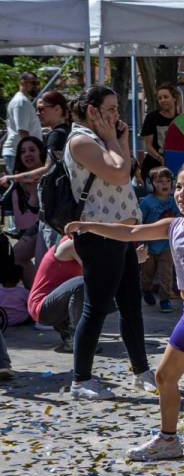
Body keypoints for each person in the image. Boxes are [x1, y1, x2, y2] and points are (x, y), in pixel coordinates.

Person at [68, 163, 184, 461]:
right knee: (164, 378)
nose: (181, 193)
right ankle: (168, 440)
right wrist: (89, 226)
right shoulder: (174, 225)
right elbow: (132, 231)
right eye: (179, 186)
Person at [62, 86, 154, 400]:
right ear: (92, 111)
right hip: (98, 235)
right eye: (111, 108)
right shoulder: (81, 140)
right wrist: (116, 140)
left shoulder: (102, 139)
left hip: (120, 234)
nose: (117, 114)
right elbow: (118, 174)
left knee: (131, 305)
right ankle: (81, 379)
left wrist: (121, 139)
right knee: (97, 308)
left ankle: (141, 371)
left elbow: (125, 169)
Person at [27, 234, 84, 350]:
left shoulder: (77, 240)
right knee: (84, 283)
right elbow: (95, 272)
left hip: (55, 302)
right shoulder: (72, 244)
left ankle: (69, 336)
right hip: (42, 307)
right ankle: (76, 339)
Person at [3, 135, 47, 286]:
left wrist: (34, 190)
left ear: (41, 152)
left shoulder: (49, 176)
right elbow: (21, 220)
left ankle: (37, 295)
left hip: (49, 228)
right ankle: (34, 294)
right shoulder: (16, 182)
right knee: (17, 257)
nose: (27, 154)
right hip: (29, 231)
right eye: (22, 151)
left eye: (32, 150)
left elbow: (35, 214)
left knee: (19, 256)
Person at [139, 166, 179, 312]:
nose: (165, 184)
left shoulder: (174, 201)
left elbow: (179, 219)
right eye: (160, 181)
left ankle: (165, 299)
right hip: (149, 244)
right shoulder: (147, 202)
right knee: (147, 272)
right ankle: (146, 290)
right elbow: (140, 222)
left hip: (166, 245)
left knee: (166, 273)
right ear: (152, 184)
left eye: (168, 181)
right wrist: (141, 242)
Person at [138, 82, 180, 180]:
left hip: (174, 169)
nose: (162, 100)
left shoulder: (181, 120)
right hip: (153, 168)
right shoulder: (152, 118)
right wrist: (160, 158)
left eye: (166, 97)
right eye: (160, 98)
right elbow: (148, 146)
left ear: (174, 98)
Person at [3, 72, 38, 174]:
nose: (36, 87)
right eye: (34, 83)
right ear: (23, 83)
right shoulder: (21, 102)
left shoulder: (22, 101)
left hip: (19, 153)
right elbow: (22, 131)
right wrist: (35, 150)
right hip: (18, 154)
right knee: (20, 188)